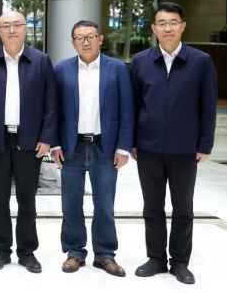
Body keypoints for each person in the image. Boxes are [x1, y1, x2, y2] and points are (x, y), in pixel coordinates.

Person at [131, 2, 217, 285]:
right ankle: (156, 258)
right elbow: (133, 104)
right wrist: (132, 142)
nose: (167, 28)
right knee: (152, 207)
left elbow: (208, 105)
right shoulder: (141, 61)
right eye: (162, 23)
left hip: (185, 148)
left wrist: (205, 143)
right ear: (154, 28)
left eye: (173, 22)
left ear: (183, 26)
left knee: (183, 208)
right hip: (148, 148)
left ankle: (180, 262)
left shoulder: (201, 61)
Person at [0, 11, 56, 274]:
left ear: (25, 29)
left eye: (17, 25)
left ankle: (27, 251)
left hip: (29, 141)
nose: (12, 30)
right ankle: (1, 250)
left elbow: (51, 103)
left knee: (27, 201)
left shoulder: (41, 61)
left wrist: (46, 137)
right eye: (6, 26)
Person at [52, 20, 133, 277]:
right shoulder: (61, 69)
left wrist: (123, 148)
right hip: (72, 146)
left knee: (105, 204)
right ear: (73, 42)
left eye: (90, 36)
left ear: (100, 39)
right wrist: (55, 144)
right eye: (79, 37)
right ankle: (75, 252)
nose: (85, 42)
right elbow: (53, 110)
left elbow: (127, 110)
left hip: (104, 147)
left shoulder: (117, 69)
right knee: (71, 204)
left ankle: (105, 255)